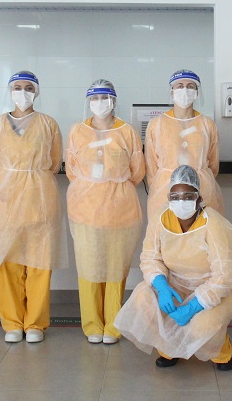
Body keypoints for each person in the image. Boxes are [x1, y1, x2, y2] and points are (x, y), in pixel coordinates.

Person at [115, 165, 232, 370]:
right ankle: (169, 348)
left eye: (187, 196)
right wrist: (161, 285)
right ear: (168, 197)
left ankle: (221, 351)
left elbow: (225, 276)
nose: (181, 202)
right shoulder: (160, 219)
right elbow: (150, 257)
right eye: (175, 197)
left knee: (203, 325)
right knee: (142, 301)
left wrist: (195, 306)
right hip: (175, 284)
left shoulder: (213, 224)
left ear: (199, 198)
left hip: (213, 286)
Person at [0, 71, 66, 344]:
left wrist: (31, 179)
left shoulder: (48, 124)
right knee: (7, 261)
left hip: (40, 200)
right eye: (17, 87)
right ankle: (11, 322)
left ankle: (35, 324)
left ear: (36, 92)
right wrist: (12, 181)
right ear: (10, 91)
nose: (22, 92)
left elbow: (54, 162)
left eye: (28, 87)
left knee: (40, 263)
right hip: (6, 201)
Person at [65, 79, 145, 344]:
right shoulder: (77, 131)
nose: (99, 103)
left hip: (120, 210)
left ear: (114, 100)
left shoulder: (127, 132)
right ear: (88, 102)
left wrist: (112, 187)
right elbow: (72, 169)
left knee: (115, 268)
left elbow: (137, 171)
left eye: (104, 97)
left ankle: (112, 326)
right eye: (94, 98)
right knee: (88, 266)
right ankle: (92, 325)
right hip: (85, 211)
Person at [144, 69, 223, 224]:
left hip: (202, 190)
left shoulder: (207, 124)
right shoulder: (157, 124)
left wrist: (198, 178)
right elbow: (151, 166)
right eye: (180, 86)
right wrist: (162, 184)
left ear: (197, 92)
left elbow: (213, 165)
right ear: (172, 92)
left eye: (190, 86)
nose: (185, 90)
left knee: (201, 233)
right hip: (164, 191)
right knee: (167, 232)